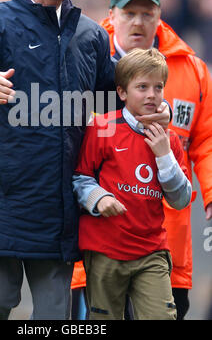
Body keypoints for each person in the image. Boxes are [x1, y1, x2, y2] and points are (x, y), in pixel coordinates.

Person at [0, 0, 170, 320]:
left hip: (57, 206)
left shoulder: (90, 36)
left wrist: (152, 106)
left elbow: (115, 92)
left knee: (53, 317)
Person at [99, 0, 212, 319]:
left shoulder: (191, 70)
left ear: (160, 14)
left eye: (147, 14)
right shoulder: (85, 60)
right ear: (112, 15)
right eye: (129, 13)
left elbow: (206, 141)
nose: (138, 22)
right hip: (100, 241)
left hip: (167, 242)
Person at [73, 47, 192, 320]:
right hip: (105, 250)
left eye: (158, 87)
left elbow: (181, 199)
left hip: (152, 251)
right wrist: (98, 199)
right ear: (122, 92)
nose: (151, 94)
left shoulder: (170, 141)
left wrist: (164, 157)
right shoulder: (102, 127)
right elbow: (80, 177)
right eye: (142, 87)